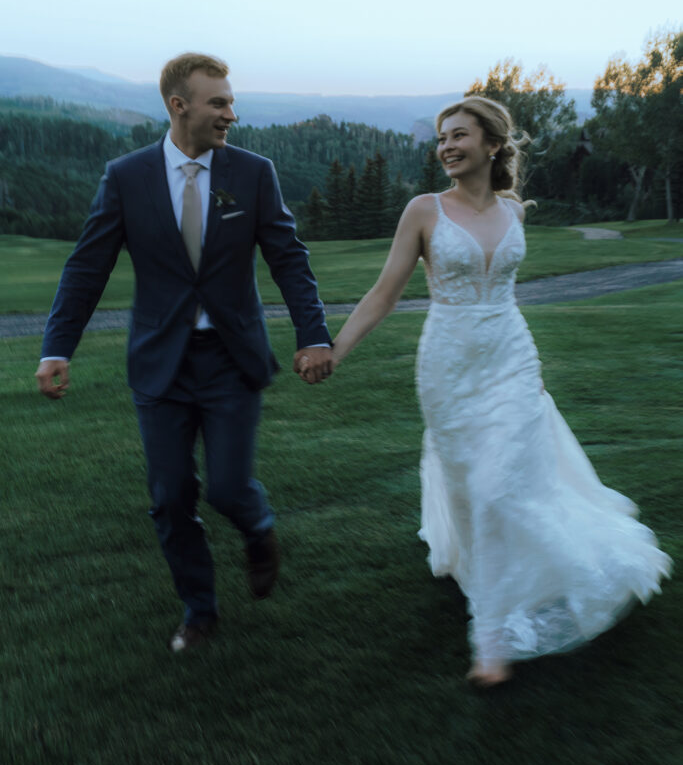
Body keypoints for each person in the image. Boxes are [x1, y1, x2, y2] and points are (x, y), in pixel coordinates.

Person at [307, 95, 672, 687]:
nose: (446, 146)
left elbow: (504, 291)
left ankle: (490, 641)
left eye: (459, 135)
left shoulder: (513, 212)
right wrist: (334, 350)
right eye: (441, 138)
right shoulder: (424, 210)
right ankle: (488, 584)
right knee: (470, 484)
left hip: (512, 357)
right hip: (448, 365)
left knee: (499, 487)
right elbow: (384, 294)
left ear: (493, 144)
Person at [36, 52, 333, 652]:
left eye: (230, 101)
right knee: (171, 498)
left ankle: (259, 529)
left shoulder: (252, 173)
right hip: (159, 364)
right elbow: (87, 268)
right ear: (179, 106)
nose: (232, 113)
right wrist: (56, 347)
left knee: (227, 489)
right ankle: (199, 611)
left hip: (231, 358)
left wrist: (314, 334)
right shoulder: (126, 177)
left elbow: (289, 259)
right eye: (219, 102)